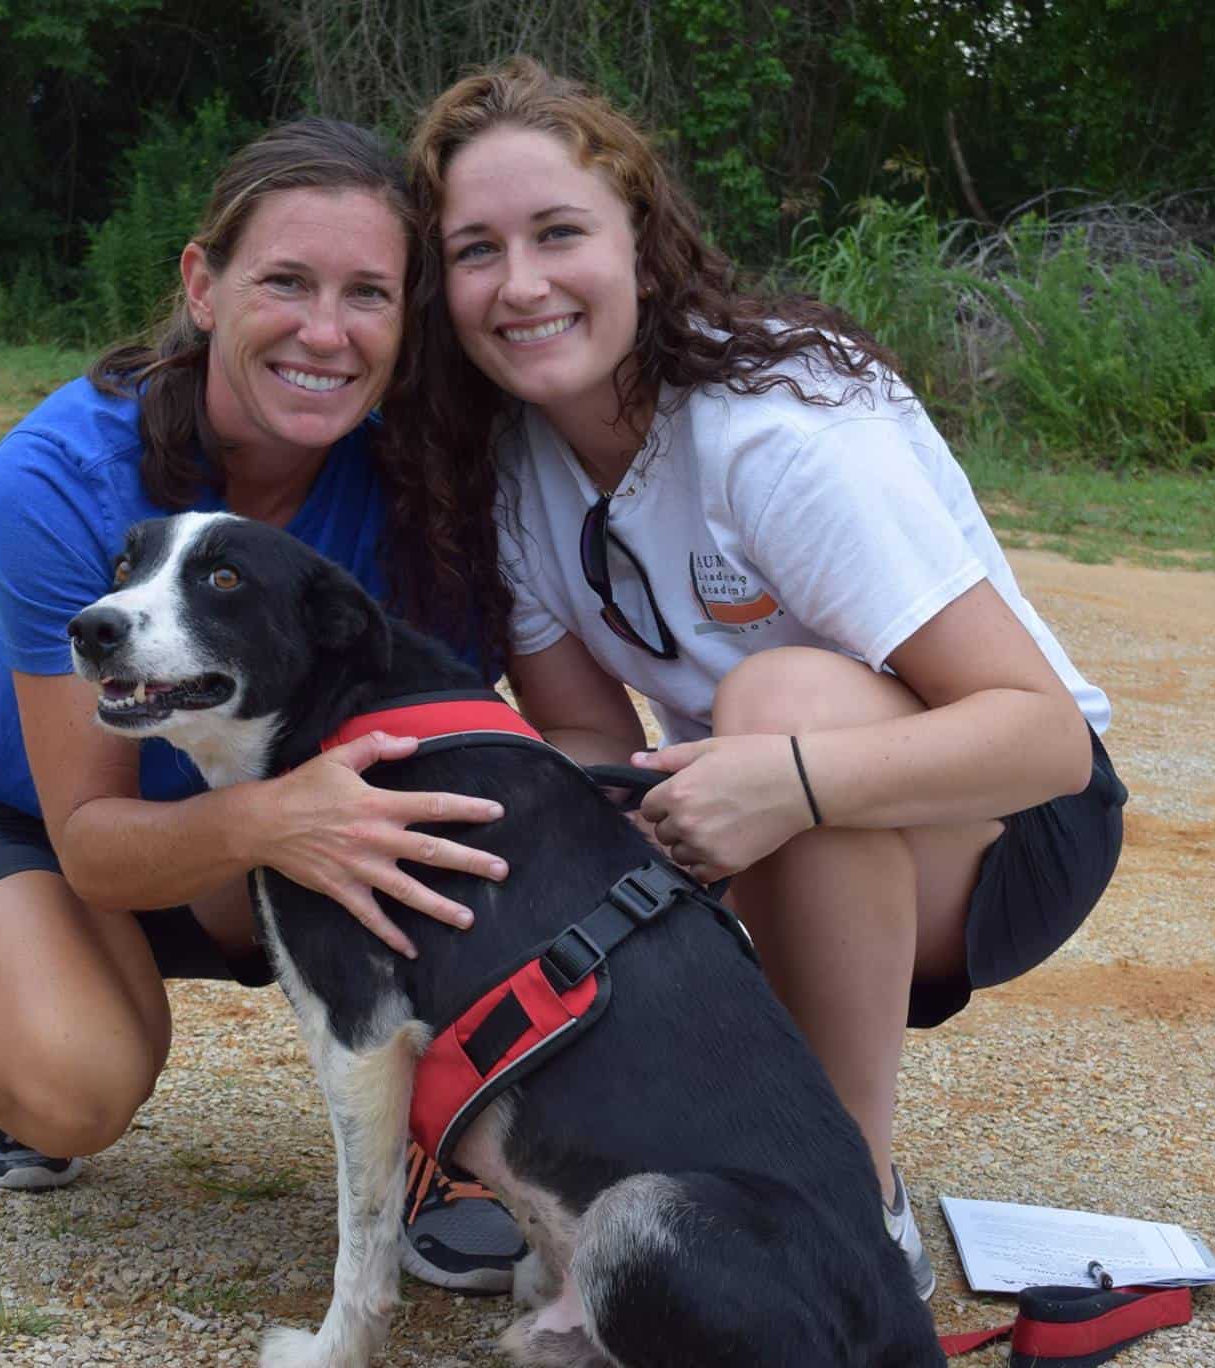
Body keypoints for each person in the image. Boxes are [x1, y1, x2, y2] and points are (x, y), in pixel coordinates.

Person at [393, 60, 1127, 1301]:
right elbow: (580, 732)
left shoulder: (775, 430)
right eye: (475, 250)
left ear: (641, 236)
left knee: (781, 706)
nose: (519, 285)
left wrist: (777, 781)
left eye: (558, 232)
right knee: (567, 792)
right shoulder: (515, 461)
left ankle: (847, 1215)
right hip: (772, 803)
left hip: (1009, 822)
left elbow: (1044, 736)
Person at [0, 118, 526, 1292]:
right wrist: (281, 822)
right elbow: (95, 846)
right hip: (33, 831)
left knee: (448, 833)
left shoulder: (415, 481)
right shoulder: (62, 471)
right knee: (72, 1087)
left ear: (406, 317)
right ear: (202, 285)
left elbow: (471, 753)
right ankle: (22, 1000)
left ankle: (452, 1137)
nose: (324, 332)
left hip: (263, 831)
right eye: (285, 280)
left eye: (368, 294)